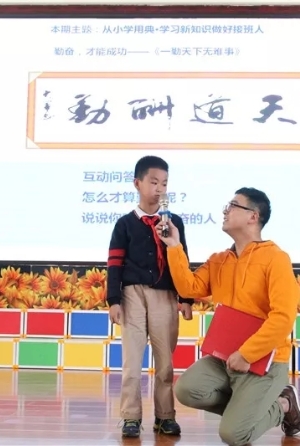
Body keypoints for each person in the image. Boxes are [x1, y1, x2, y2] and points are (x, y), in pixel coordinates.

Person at [156, 187, 300, 446]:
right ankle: (247, 410)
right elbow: (189, 288)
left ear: (253, 216)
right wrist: (174, 246)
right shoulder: (219, 260)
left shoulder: (276, 259)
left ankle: (283, 404)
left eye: (233, 205)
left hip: (264, 363)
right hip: (224, 358)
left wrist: (246, 355)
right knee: (187, 390)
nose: (225, 211)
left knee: (234, 435)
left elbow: (283, 318)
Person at [106, 155, 194, 438]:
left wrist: (186, 298)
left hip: (165, 295)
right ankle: (130, 417)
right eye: (154, 182)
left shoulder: (173, 221)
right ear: (137, 183)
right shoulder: (125, 224)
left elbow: (182, 260)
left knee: (165, 361)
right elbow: (114, 263)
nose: (160, 188)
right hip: (132, 295)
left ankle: (165, 416)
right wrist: (113, 300)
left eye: (164, 184)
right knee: (132, 361)